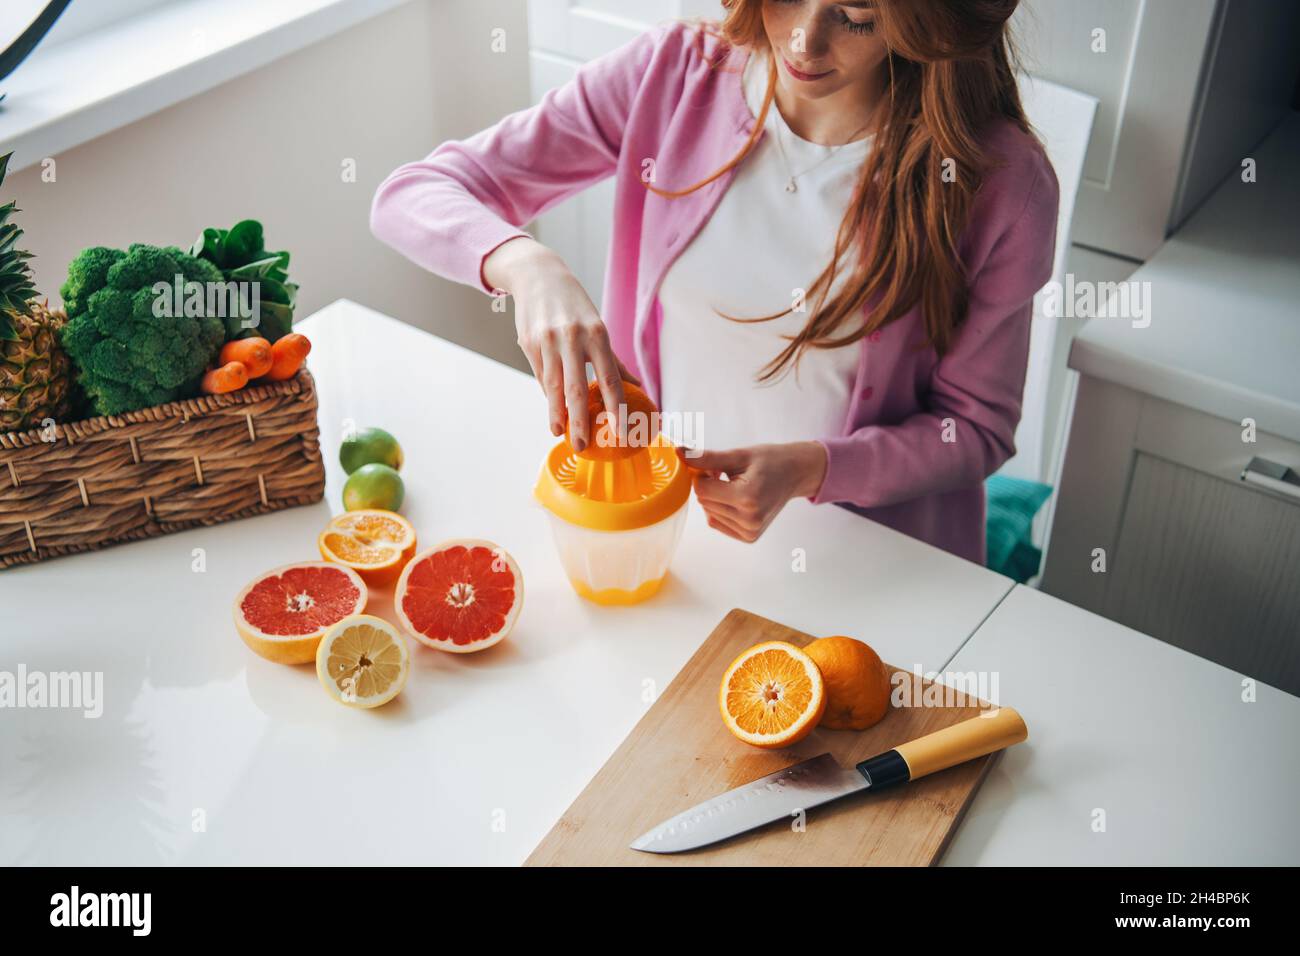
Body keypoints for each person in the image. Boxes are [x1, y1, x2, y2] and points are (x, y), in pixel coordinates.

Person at [371, 0, 1059, 564]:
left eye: (855, 16)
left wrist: (816, 468)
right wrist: (526, 265)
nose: (803, 40)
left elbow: (973, 428)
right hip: (682, 546)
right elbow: (414, 192)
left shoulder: (1000, 182)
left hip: (869, 566)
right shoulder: (676, 75)